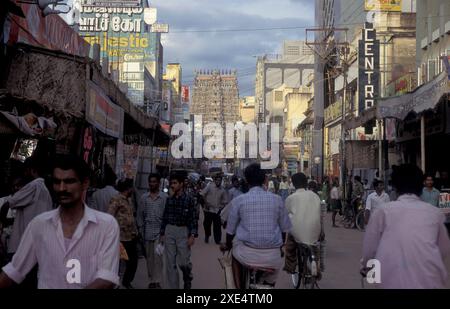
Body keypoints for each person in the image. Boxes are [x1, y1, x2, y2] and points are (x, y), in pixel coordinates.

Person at [0, 155, 120, 289]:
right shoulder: (39, 224)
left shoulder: (106, 225)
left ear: (85, 183)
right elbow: (13, 271)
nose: (62, 188)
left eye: (69, 181)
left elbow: (106, 279)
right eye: (57, 182)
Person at [361, 164, 450, 288]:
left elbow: (370, 251)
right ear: (421, 186)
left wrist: (367, 268)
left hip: (390, 282)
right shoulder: (435, 214)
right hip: (430, 281)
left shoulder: (383, 212)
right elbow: (443, 249)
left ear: (395, 187)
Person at [220, 163, 292, 289]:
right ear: (265, 180)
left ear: (246, 181)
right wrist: (280, 247)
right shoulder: (277, 199)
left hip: (245, 255)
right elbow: (284, 229)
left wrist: (228, 245)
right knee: (273, 271)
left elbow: (230, 232)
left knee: (232, 255)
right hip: (273, 257)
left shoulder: (239, 200)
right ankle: (269, 284)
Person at [6, 156, 53, 257]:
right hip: (37, 245)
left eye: (26, 170)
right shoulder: (46, 192)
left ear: (32, 170)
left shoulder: (33, 186)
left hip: (22, 245)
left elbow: (8, 203)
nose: (24, 174)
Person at [160, 171, 198, 289]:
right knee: (170, 264)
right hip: (170, 231)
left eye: (175, 183)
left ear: (181, 184)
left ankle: (187, 275)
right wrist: (162, 233)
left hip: (183, 231)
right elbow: (165, 217)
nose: (172, 185)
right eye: (171, 183)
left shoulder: (189, 199)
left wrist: (192, 235)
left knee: (183, 262)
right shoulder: (169, 199)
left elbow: (193, 218)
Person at [284, 173, 324, 275]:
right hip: (315, 230)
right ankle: (318, 265)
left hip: (297, 232)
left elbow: (285, 215)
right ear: (306, 183)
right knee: (317, 247)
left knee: (289, 246)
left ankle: (290, 267)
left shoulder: (291, 198)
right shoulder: (315, 196)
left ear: (293, 184)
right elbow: (320, 214)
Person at [137, 173, 168, 289]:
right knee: (149, 258)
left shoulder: (164, 198)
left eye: (154, 181)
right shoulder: (144, 198)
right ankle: (151, 280)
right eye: (150, 182)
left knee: (158, 258)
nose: (152, 184)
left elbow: (167, 216)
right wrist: (140, 229)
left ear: (158, 183)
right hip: (147, 232)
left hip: (159, 234)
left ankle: (157, 281)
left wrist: (164, 232)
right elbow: (140, 215)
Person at [107, 178, 138, 289]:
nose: (133, 190)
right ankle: (115, 284)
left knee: (133, 261)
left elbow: (131, 216)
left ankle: (126, 281)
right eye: (131, 188)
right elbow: (110, 216)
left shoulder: (128, 200)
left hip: (130, 237)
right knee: (117, 262)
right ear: (128, 189)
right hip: (120, 238)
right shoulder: (116, 199)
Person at [200, 174, 228, 244]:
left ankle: (217, 240)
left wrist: (221, 207)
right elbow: (202, 194)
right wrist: (206, 203)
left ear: (221, 181)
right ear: (215, 180)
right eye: (217, 180)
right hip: (208, 209)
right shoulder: (209, 187)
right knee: (206, 224)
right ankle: (207, 235)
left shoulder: (223, 190)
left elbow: (225, 201)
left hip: (217, 211)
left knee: (217, 226)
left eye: (220, 180)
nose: (218, 181)